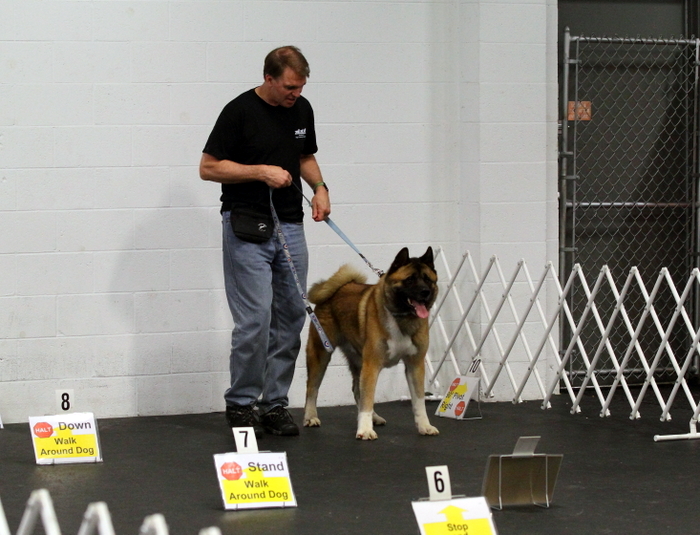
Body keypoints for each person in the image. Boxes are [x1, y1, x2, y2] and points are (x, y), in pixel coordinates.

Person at [199, 46, 331, 437]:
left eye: (301, 86)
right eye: (290, 86)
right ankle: (241, 404)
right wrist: (261, 172)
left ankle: (274, 404)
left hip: (290, 225)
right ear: (269, 78)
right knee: (255, 319)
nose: (296, 93)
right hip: (246, 226)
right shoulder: (238, 111)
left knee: (291, 318)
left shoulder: (302, 109)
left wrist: (320, 188)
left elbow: (305, 155)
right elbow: (208, 168)